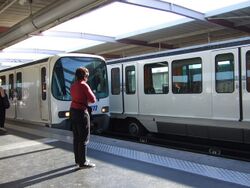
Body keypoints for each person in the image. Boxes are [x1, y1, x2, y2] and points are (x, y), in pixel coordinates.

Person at [70, 67, 96, 169]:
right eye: (87, 76)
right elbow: (93, 99)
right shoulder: (84, 85)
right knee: (84, 138)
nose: (87, 78)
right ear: (84, 76)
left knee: (76, 138)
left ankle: (78, 160)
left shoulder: (73, 86)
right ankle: (83, 162)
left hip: (73, 112)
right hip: (81, 113)